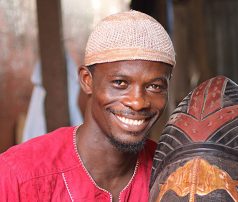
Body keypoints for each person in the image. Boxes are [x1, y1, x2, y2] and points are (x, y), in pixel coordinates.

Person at [0, 10, 175, 201]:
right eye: (120, 83)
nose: (138, 102)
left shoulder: (173, 174)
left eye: (154, 86)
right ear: (87, 81)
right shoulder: (18, 175)